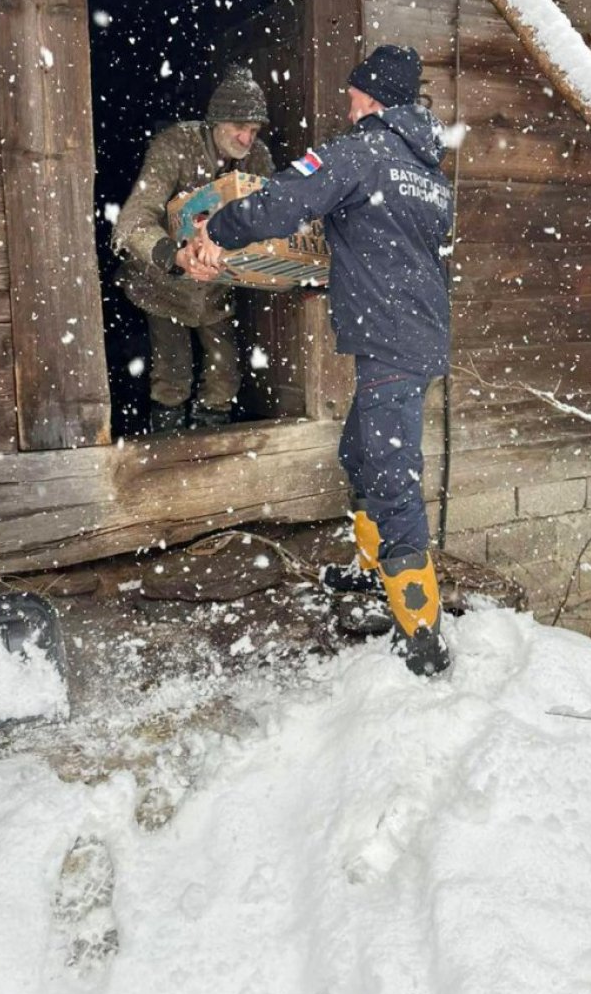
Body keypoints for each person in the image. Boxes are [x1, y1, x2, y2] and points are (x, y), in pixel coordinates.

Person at [193, 45, 453, 677]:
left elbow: (283, 200)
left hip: (390, 338)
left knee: (390, 474)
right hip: (417, 333)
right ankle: (372, 571)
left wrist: (216, 229)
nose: (349, 104)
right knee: (359, 452)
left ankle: (421, 631)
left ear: (373, 96)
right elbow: (389, 247)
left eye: (355, 94)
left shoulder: (364, 151)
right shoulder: (428, 172)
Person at [112, 65, 274, 432]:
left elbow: (273, 216)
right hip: (162, 281)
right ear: (215, 122)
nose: (246, 138)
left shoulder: (257, 158)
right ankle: (167, 445)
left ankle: (213, 443)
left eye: (254, 130)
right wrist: (174, 256)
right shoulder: (175, 146)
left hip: (216, 283)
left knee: (224, 374)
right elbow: (133, 220)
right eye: (239, 127)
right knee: (172, 371)